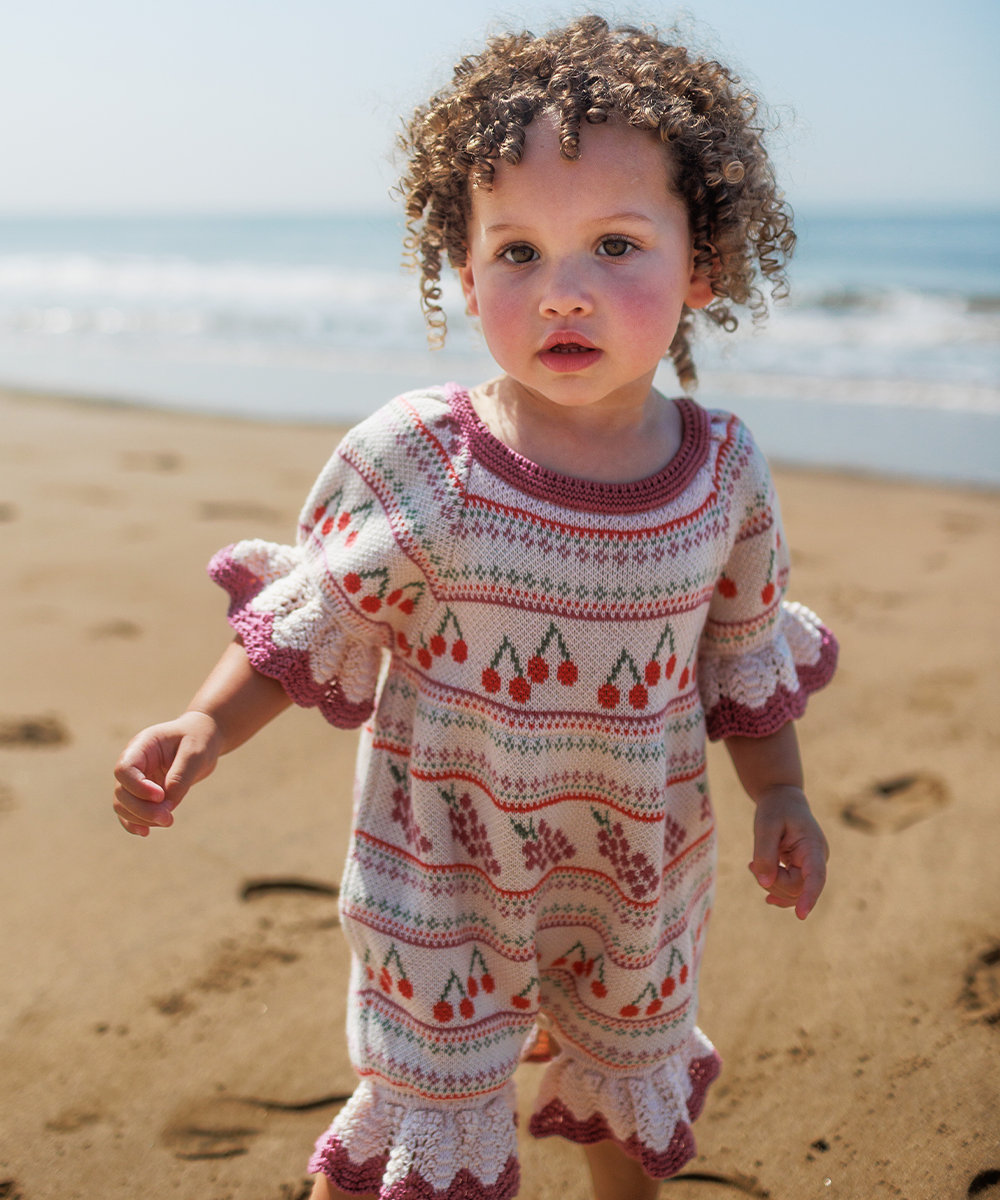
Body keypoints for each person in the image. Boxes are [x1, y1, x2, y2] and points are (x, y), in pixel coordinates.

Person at [113, 16, 838, 1200]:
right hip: (440, 866)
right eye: (516, 252)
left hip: (637, 869)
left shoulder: (722, 475)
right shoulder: (426, 460)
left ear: (700, 265)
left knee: (620, 1077)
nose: (562, 293)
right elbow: (320, 617)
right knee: (425, 1112)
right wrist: (205, 723)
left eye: (614, 245)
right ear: (463, 268)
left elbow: (742, 660)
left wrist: (783, 794)